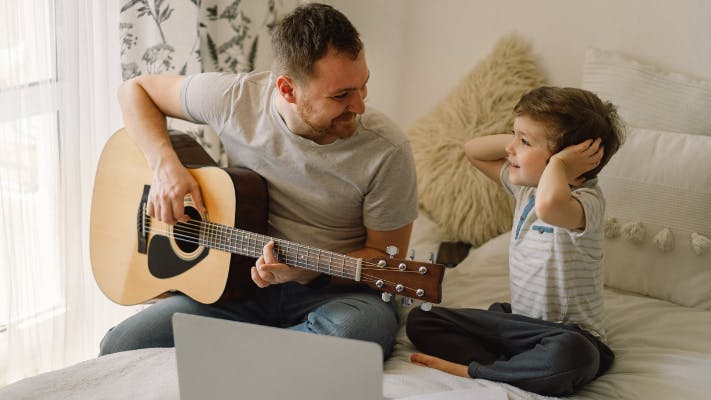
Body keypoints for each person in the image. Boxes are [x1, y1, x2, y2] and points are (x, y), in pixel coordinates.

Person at [99, 3, 417, 358]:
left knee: (358, 332)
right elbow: (134, 91)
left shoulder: (387, 149)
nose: (359, 105)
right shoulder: (235, 99)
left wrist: (307, 271)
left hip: (335, 294)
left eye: (363, 85)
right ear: (286, 89)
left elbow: (385, 261)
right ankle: (279, 353)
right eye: (341, 95)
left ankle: (237, 354)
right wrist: (164, 168)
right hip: (237, 284)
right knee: (121, 346)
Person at [406, 86, 624, 396]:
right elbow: (473, 149)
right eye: (514, 136)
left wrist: (559, 164)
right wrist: (522, 137)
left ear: (572, 163)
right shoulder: (526, 189)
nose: (510, 149)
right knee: (422, 320)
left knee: (574, 354)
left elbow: (550, 206)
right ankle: (517, 367)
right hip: (519, 325)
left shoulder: (585, 201)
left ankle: (478, 370)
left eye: (523, 142)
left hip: (568, 336)